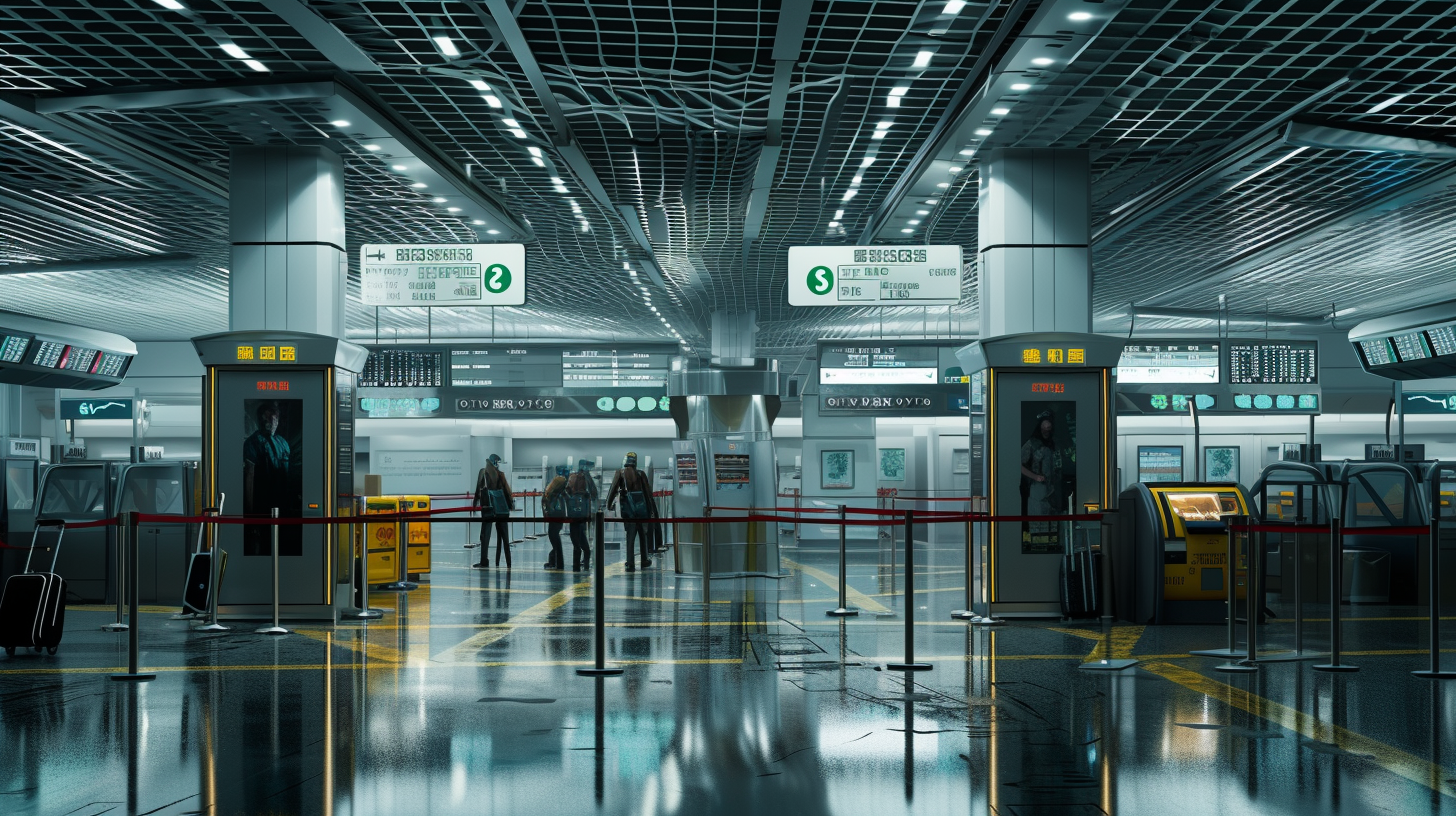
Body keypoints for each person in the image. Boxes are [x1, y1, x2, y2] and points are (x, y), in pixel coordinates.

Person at [243, 401, 294, 556]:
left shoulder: (283, 443)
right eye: (265, 419)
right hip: (262, 507)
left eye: (272, 418)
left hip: (284, 506)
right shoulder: (253, 443)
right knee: (263, 546)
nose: (269, 422)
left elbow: (289, 474)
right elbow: (249, 477)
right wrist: (250, 513)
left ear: (277, 419)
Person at [607, 451, 656, 571]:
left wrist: (608, 504)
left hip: (628, 510)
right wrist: (651, 510)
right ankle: (644, 560)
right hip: (642, 509)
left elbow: (613, 490)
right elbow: (648, 493)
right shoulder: (640, 474)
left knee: (630, 536)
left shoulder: (621, 473)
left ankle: (630, 562)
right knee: (642, 535)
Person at [1020, 411, 1061, 543]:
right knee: (1037, 527)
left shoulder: (1054, 444)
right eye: (1044, 425)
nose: (1047, 429)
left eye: (1049, 426)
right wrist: (1035, 477)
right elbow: (1019, 465)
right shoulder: (1031, 444)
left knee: (1050, 528)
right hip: (1037, 491)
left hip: (1052, 492)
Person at [472, 454, 515, 568]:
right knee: (505, 538)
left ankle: (484, 560)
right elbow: (506, 491)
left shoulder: (483, 472)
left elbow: (478, 489)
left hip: (487, 506)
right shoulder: (500, 474)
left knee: (485, 535)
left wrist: (475, 502)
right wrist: (510, 505)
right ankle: (508, 562)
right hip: (500, 509)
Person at [566, 459, 598, 571]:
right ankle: (582, 565)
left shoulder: (572, 477)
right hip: (583, 514)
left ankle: (577, 566)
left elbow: (568, 491)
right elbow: (594, 493)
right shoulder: (587, 478)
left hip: (574, 515)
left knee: (578, 544)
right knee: (582, 543)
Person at [542, 465, 569, 570]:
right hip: (556, 519)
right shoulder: (557, 495)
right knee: (556, 541)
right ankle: (556, 562)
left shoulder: (554, 495)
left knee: (555, 541)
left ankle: (554, 561)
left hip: (556, 520)